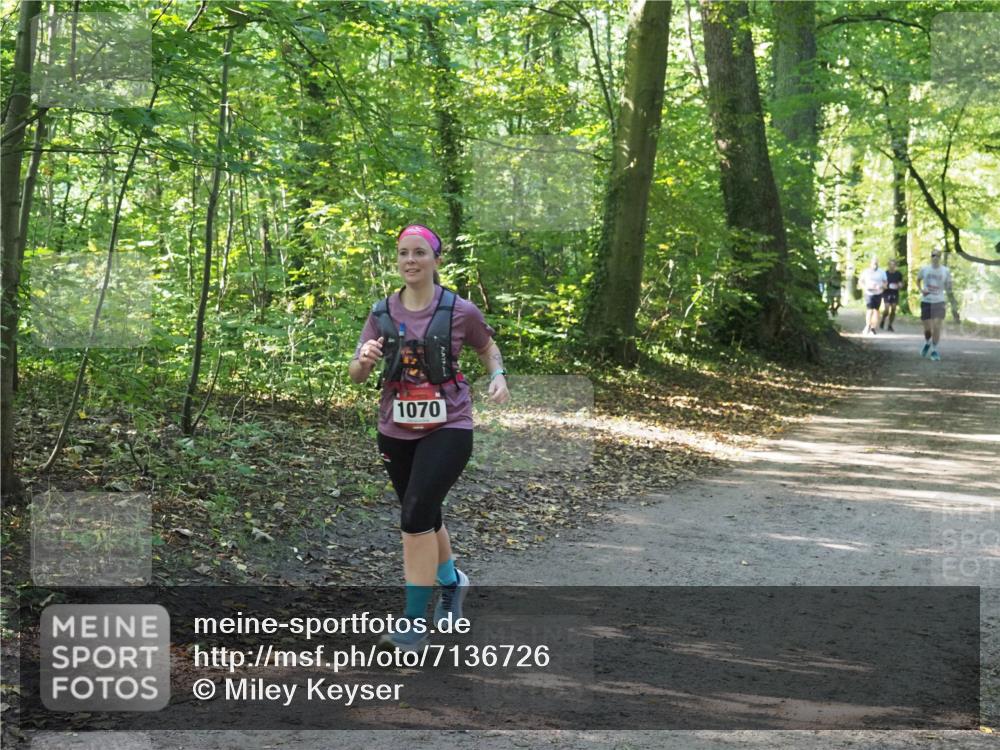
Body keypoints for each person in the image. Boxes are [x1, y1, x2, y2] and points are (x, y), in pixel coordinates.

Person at [349, 223, 510, 651]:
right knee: (423, 512)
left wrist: (497, 375)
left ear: (436, 260)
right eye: (404, 253)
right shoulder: (381, 312)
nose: (411, 260)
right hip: (394, 429)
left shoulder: (460, 310)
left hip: (449, 425)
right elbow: (357, 373)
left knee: (416, 513)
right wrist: (364, 359)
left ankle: (413, 623)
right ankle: (452, 583)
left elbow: (487, 348)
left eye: (420, 252)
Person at [916, 248, 952, 361]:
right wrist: (921, 290)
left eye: (937, 256)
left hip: (939, 301)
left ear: (940, 258)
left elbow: (949, 285)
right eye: (933, 255)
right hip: (926, 301)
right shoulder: (925, 269)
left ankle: (934, 350)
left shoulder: (945, 271)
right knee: (927, 329)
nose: (935, 258)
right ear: (930, 257)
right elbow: (918, 280)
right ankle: (928, 343)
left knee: (937, 326)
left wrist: (949, 286)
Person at [858, 257, 887, 335]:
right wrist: (865, 287)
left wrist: (882, 286)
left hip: (878, 293)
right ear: (870, 264)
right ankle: (868, 325)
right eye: (874, 263)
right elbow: (860, 281)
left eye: (876, 264)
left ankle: (873, 328)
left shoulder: (882, 272)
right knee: (870, 310)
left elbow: (885, 282)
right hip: (869, 293)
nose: (875, 265)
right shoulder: (866, 272)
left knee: (876, 310)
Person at [880, 258, 905, 331]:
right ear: (888, 265)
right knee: (887, 309)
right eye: (890, 264)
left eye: (893, 265)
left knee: (893, 309)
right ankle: (883, 320)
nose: (892, 266)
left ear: (895, 265)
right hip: (887, 292)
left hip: (895, 293)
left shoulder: (898, 274)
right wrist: (884, 286)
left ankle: (890, 325)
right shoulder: (885, 274)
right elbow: (882, 283)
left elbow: (901, 283)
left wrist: (900, 285)